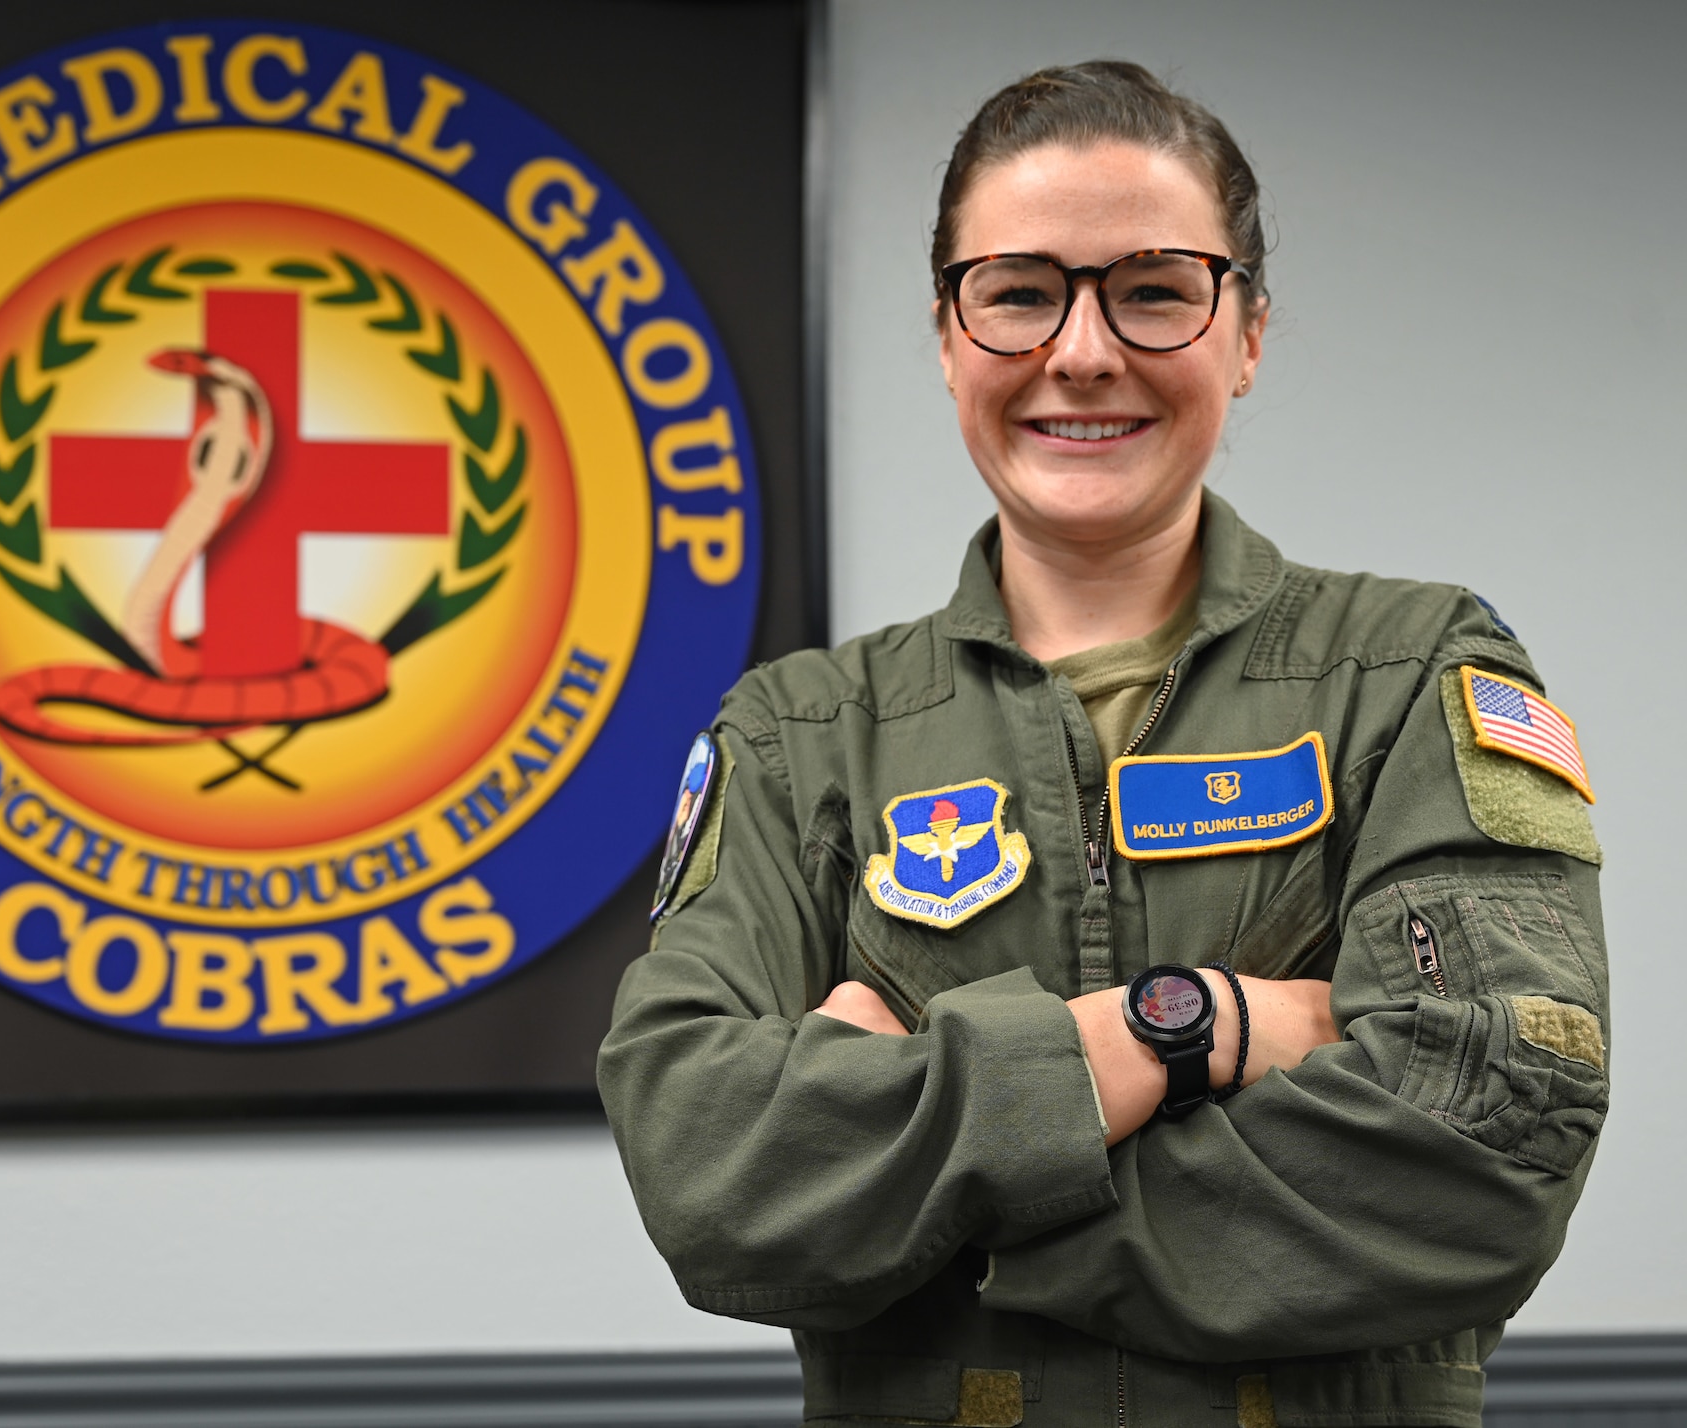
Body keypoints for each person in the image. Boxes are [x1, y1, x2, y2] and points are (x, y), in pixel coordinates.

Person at [599, 60, 1607, 1428]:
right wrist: (1186, 1031)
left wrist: (945, 1204)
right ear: (949, 339)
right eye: (1018, 292)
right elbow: (714, 1176)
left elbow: (1486, 1153)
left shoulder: (1413, 672)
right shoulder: (797, 739)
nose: (1082, 351)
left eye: (1153, 288)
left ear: (1245, 331)